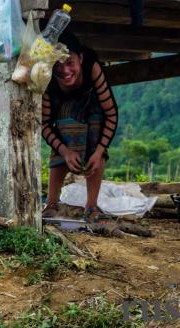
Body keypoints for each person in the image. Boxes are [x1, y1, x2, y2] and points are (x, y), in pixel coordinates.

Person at [40, 31, 118, 222]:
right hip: (62, 116)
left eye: (70, 63)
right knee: (64, 125)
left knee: (95, 124)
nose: (64, 70)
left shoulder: (92, 67)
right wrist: (65, 152)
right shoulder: (46, 78)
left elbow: (111, 114)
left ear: (80, 59)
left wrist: (99, 151)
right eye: (57, 64)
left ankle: (91, 206)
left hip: (92, 112)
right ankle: (51, 203)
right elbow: (44, 123)